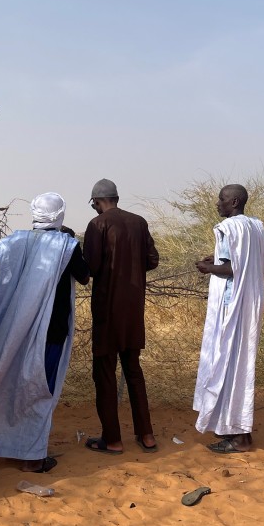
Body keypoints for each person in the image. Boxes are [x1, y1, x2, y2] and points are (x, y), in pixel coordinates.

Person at [0, 192, 90, 472]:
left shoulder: (8, 243)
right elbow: (85, 276)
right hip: (50, 330)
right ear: (59, 214)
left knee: (6, 382)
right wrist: (73, 242)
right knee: (38, 388)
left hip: (8, 329)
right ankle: (31, 456)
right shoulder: (66, 246)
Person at [83, 178, 159, 455]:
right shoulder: (139, 222)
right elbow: (152, 260)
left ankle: (113, 439)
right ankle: (146, 435)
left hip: (107, 310)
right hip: (133, 309)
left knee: (104, 373)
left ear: (96, 202)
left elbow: (90, 266)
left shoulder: (97, 225)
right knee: (133, 370)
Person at [193, 184, 264, 454]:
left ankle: (239, 437)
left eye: (222, 199)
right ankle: (236, 429)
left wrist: (208, 268)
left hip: (231, 307)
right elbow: (255, 261)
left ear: (234, 201)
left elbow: (230, 268)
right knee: (240, 365)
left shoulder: (228, 228)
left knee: (225, 364)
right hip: (249, 303)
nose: (217, 203)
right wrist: (215, 260)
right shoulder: (256, 227)